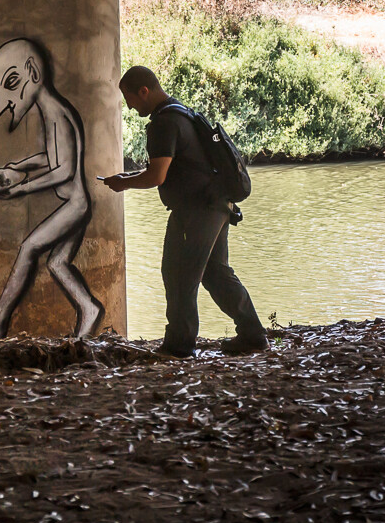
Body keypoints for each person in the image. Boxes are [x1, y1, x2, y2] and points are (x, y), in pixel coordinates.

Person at [103, 65, 267, 357]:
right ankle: (253, 335)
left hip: (196, 210)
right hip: (217, 204)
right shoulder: (183, 112)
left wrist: (122, 182)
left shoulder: (163, 124)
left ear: (144, 91)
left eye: (130, 98)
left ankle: (180, 346)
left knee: (178, 274)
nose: (129, 106)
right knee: (216, 273)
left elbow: (156, 176)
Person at [0, 38, 104, 340]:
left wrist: (22, 188)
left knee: (29, 248)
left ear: (32, 71)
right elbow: (53, 157)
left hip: (75, 205)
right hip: (75, 204)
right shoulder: (51, 109)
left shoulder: (55, 111)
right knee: (57, 263)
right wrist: (19, 166)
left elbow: (64, 169)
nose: (6, 104)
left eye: (12, 83)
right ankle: (89, 309)